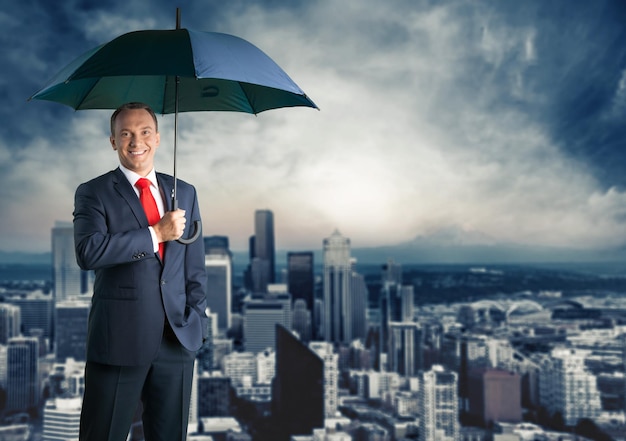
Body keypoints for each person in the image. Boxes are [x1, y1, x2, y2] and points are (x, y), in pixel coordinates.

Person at [73, 102, 208, 441]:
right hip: (119, 339)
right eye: (126, 134)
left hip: (176, 341)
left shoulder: (184, 192)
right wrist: (155, 234)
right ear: (113, 141)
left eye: (145, 132)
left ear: (158, 139)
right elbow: (88, 252)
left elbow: (195, 268)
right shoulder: (94, 192)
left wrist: (197, 321)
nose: (137, 141)